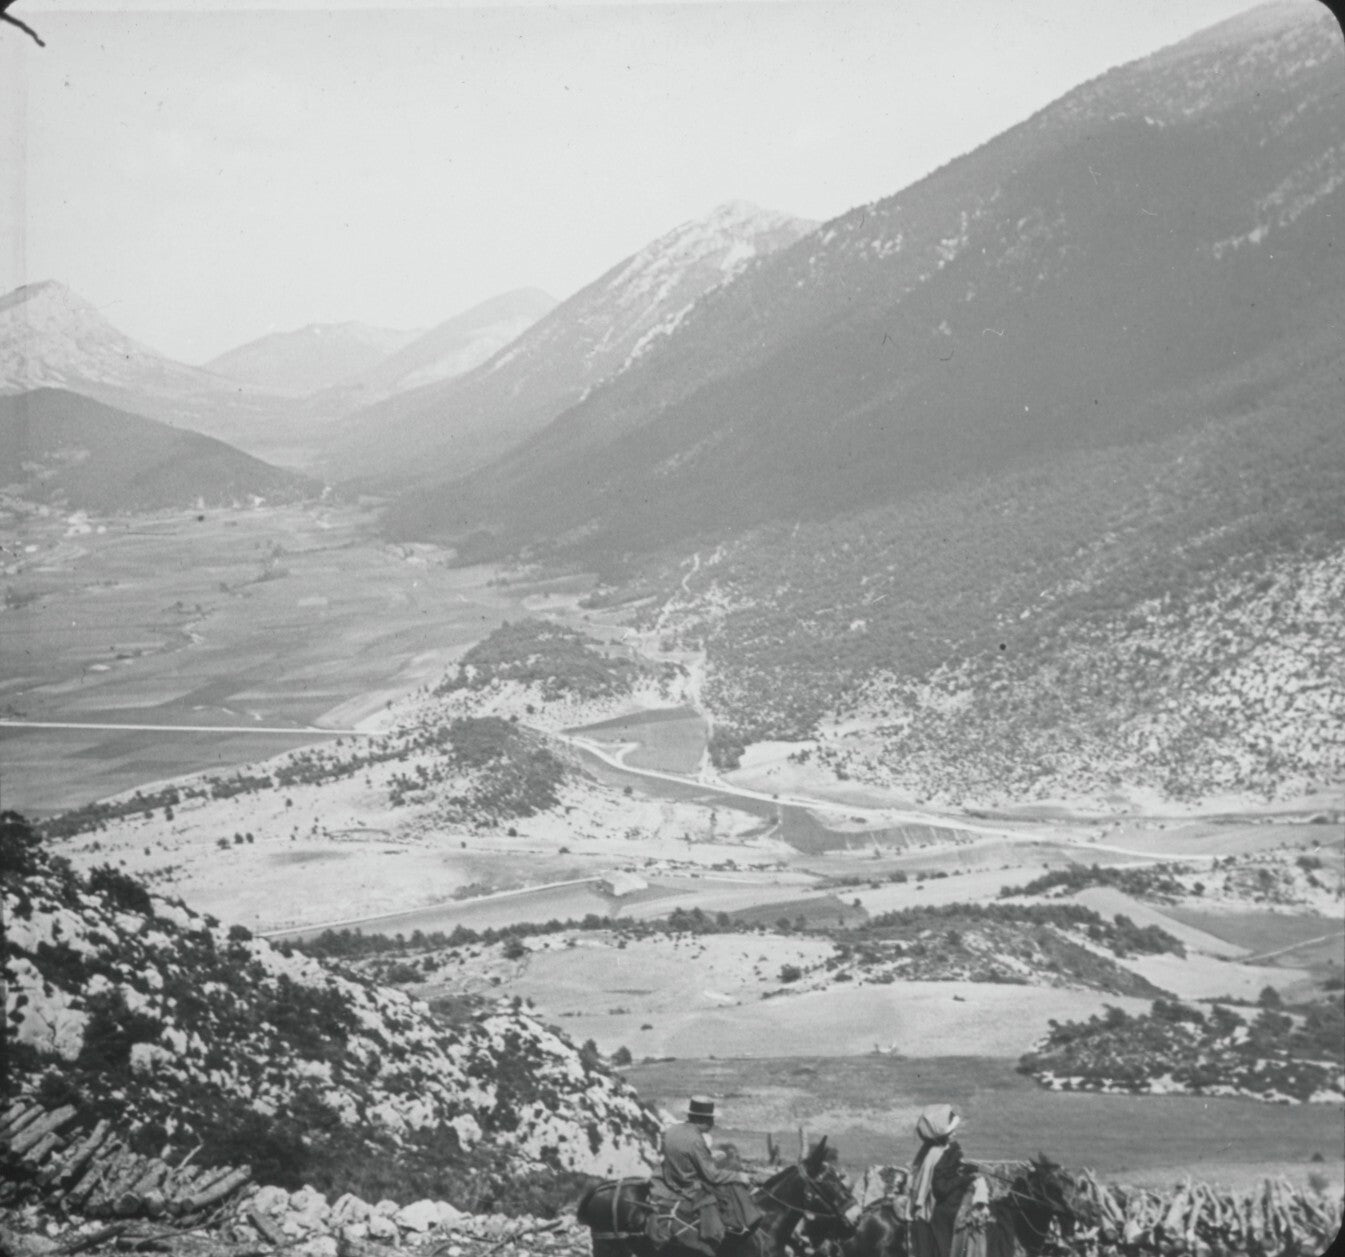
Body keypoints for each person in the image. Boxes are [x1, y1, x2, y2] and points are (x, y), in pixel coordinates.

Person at [649, 1096, 762, 1253]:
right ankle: (721, 1239)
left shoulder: (673, 1130)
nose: (713, 1124)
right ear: (703, 1119)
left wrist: (708, 1156)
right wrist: (739, 1177)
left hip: (670, 1180)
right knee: (730, 1196)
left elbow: (683, 1155)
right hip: (689, 1188)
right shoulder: (696, 1139)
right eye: (711, 1120)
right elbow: (712, 1176)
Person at [907, 1104, 987, 1257]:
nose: (955, 1133)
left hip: (948, 1195)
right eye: (951, 1132)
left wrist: (967, 1170)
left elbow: (951, 1172)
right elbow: (940, 1188)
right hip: (937, 1205)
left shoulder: (948, 1149)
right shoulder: (935, 1154)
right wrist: (964, 1179)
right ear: (943, 1135)